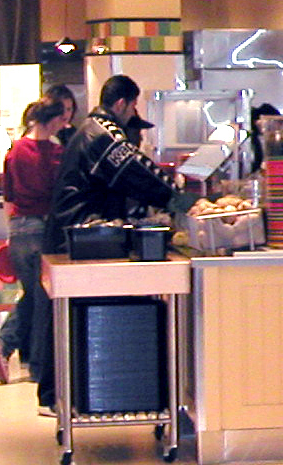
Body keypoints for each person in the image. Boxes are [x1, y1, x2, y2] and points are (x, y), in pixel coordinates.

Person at [35, 75, 181, 411]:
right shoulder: (101, 132)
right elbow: (135, 171)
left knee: (58, 318)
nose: (133, 114)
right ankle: (59, 395)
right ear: (121, 103)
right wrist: (179, 198)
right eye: (133, 106)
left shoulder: (90, 129)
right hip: (76, 237)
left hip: (67, 233)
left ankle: (56, 395)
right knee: (64, 318)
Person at [0, 96, 69, 384]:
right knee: (42, 299)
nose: (64, 125)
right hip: (42, 228)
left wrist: (10, 232)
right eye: (62, 120)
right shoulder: (55, 153)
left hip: (18, 229)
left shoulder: (15, 151)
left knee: (32, 294)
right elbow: (60, 195)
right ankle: (28, 359)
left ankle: (11, 349)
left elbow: (8, 197)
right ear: (52, 121)